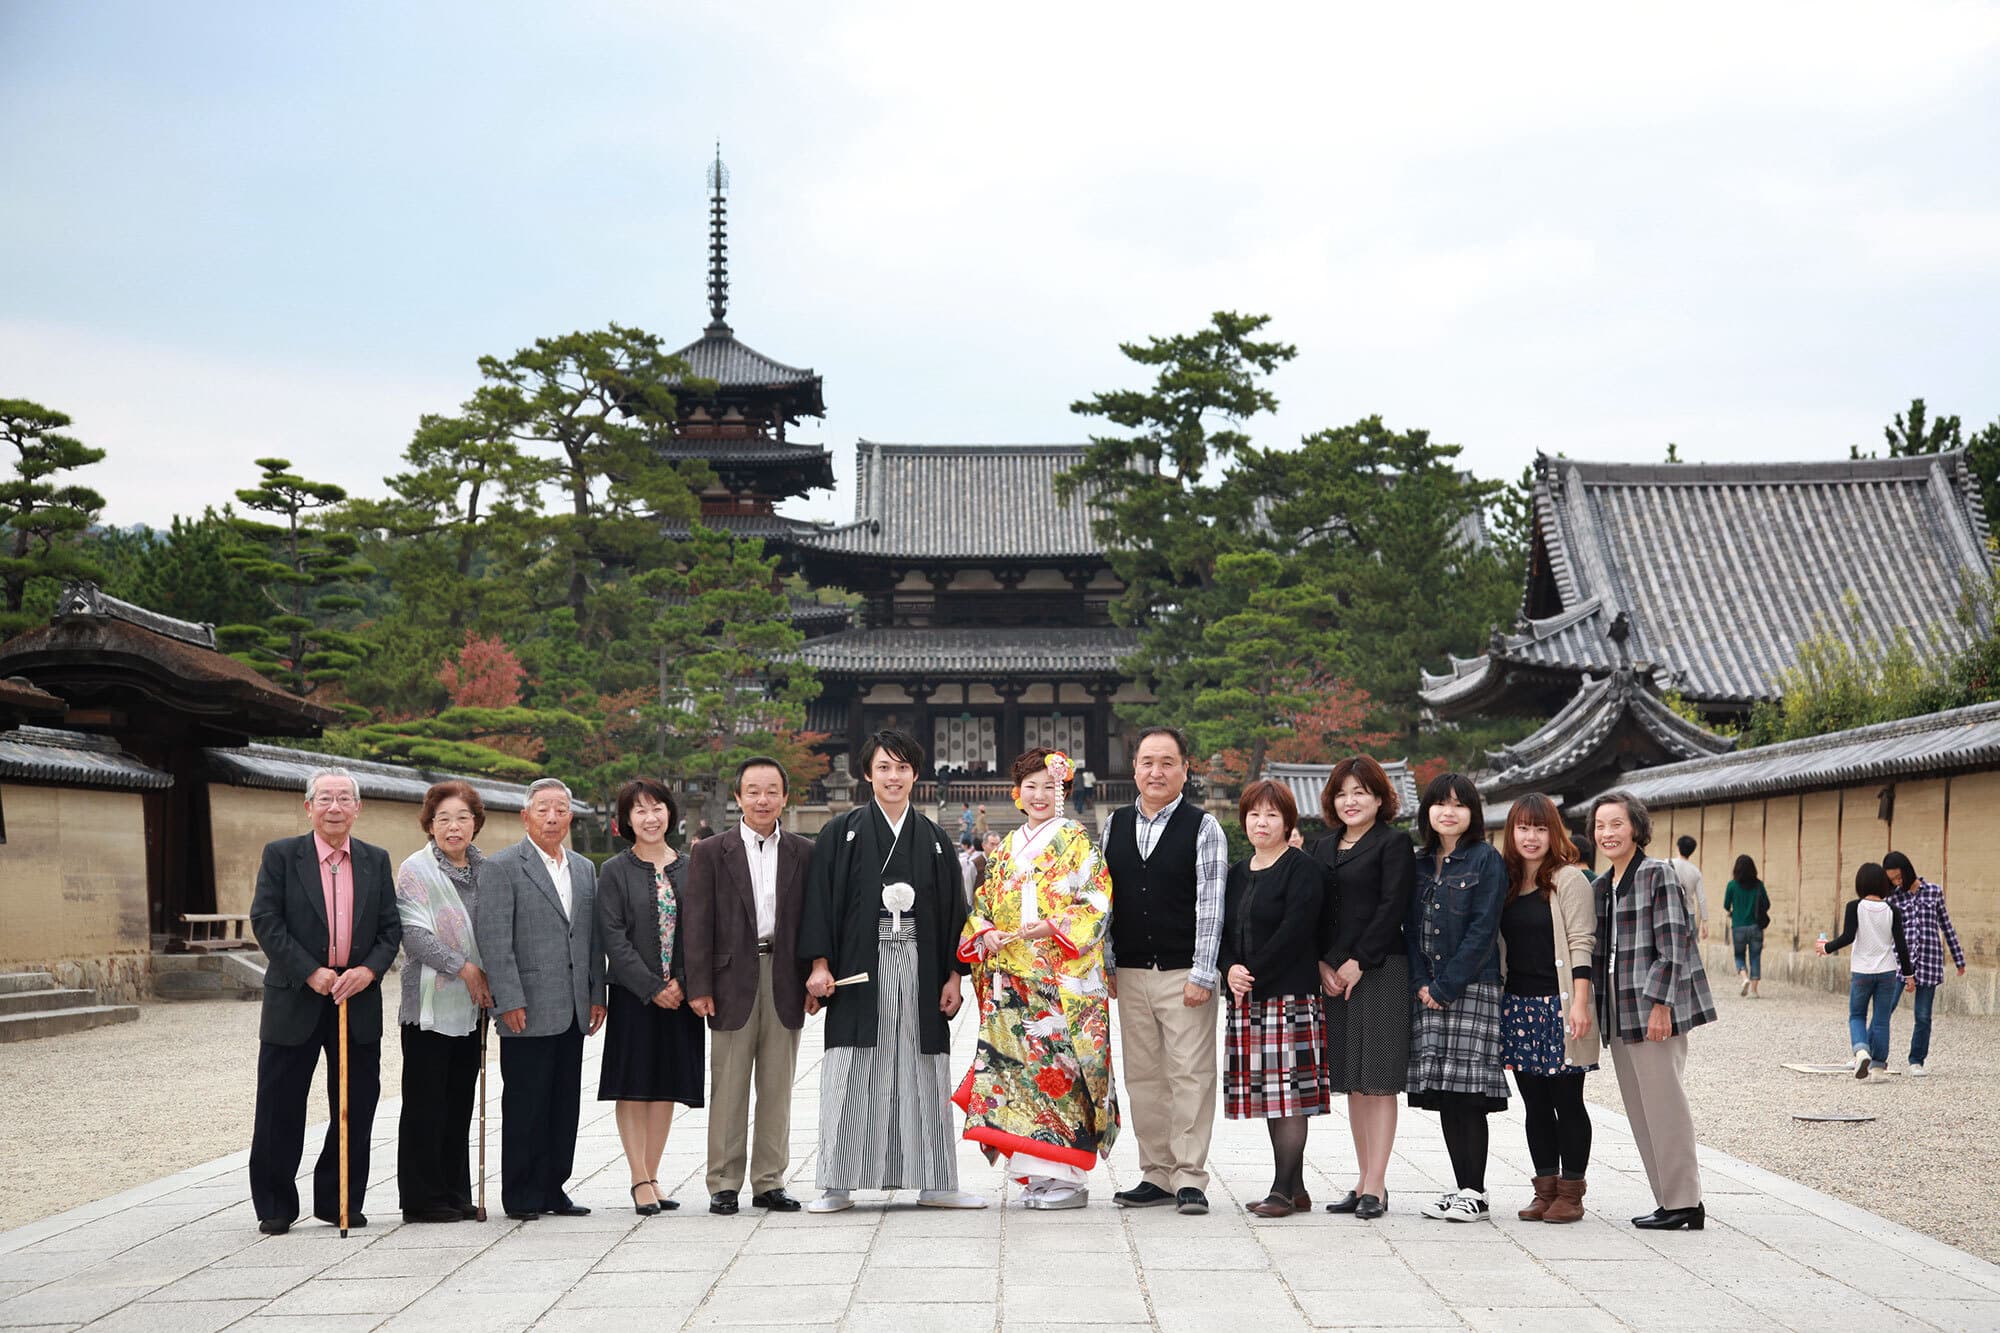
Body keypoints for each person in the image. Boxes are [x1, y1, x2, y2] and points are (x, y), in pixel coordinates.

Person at [798, 729, 983, 1212]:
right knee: (853, 1067)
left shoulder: (936, 839)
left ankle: (937, 1181)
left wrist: (953, 975)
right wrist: (819, 964)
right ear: (868, 774)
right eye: (884, 767)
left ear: (915, 775)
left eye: (902, 767)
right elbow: (819, 900)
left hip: (921, 966)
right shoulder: (842, 832)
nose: (893, 776)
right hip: (859, 970)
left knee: (923, 1070)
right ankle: (837, 1182)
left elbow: (952, 912)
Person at [957, 748, 1119, 1210]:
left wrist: (1051, 927)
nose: (1040, 794)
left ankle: (1068, 1178)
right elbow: (985, 900)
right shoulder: (1007, 846)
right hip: (1013, 978)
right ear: (1018, 793)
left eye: (1050, 786)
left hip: (1060, 981)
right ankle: (1035, 1174)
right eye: (1031, 786)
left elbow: (1096, 896)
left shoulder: (1077, 840)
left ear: (1063, 791)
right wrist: (986, 932)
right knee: (1020, 1076)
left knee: (1060, 1075)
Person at [248, 769, 401, 1234]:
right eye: (325, 798)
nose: (334, 807)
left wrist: (368, 971)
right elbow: (266, 919)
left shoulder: (375, 859)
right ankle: (275, 1204)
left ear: (358, 808)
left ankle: (340, 1200)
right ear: (308, 807)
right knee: (280, 1104)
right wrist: (310, 971)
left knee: (354, 1104)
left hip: (356, 998)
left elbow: (390, 929)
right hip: (296, 995)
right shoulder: (281, 855)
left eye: (344, 799)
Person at [684, 756, 817, 1215]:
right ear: (739, 797)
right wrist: (698, 985)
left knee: (778, 1086)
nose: (763, 799)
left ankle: (769, 1181)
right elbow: (696, 923)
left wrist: (814, 976)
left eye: (772, 791)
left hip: (785, 976)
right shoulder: (710, 852)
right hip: (728, 980)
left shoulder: (803, 850)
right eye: (754, 791)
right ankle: (723, 1182)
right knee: (730, 1083)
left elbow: (811, 922)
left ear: (785, 796)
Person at [1105, 725, 1227, 1216]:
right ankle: (1155, 1172)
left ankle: (1189, 1176)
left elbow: (1212, 904)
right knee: (1144, 1077)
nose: (1156, 772)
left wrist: (1204, 971)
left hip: (1183, 973)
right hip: (1131, 972)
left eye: (1166, 762)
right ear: (1134, 768)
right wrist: (1108, 961)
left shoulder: (1204, 828)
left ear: (1184, 768)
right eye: (1147, 762)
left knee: (1190, 1074)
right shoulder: (1114, 823)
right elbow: (1105, 901)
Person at [474, 777, 606, 1221]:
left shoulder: (585, 868)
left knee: (564, 1102)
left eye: (561, 809)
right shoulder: (503, 866)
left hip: (572, 1005)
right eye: (544, 808)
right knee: (526, 1102)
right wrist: (507, 999)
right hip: (525, 1006)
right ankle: (522, 1193)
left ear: (571, 816)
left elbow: (590, 939)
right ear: (525, 815)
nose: (553, 817)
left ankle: (555, 1188)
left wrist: (596, 992)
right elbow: (494, 941)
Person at [1591, 790, 1715, 1230]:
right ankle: (1668, 1199)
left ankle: (1685, 1201)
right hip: (1620, 1010)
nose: (1607, 833)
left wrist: (1661, 1005)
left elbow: (1676, 940)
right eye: (1601, 826)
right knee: (1641, 1109)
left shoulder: (1657, 873)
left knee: (1665, 1105)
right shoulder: (1602, 886)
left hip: (1652, 1006)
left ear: (1636, 828)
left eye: (1616, 824)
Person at [1220, 779, 1329, 1218]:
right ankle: (1296, 1188)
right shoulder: (1237, 872)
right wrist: (1229, 968)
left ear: (1288, 822)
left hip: (1289, 997)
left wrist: (1254, 972)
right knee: (1271, 1096)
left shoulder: (1302, 868)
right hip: (1247, 997)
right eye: (1253, 814)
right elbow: (1223, 930)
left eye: (1271, 815)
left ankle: (1282, 1190)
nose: (1261, 823)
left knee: (1289, 1096)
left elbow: (1296, 930)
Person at [1312, 756, 1413, 1221]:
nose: (1350, 801)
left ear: (1379, 797)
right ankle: (1360, 1179)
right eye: (1342, 792)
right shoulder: (1321, 846)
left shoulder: (1393, 845)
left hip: (1380, 970)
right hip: (1332, 976)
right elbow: (1311, 910)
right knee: (1353, 1081)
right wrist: (1322, 963)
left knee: (1378, 1079)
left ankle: (1378, 1184)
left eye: (1360, 792)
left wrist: (1357, 963)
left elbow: (1393, 907)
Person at [597, 778, 704, 1215]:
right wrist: (651, 986)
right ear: (626, 821)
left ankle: (654, 1175)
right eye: (639, 810)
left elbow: (700, 930)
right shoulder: (614, 870)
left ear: (669, 814)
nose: (650, 817)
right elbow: (613, 937)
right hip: (634, 995)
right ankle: (638, 1177)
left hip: (681, 995)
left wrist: (681, 979)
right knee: (635, 1085)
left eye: (657, 807)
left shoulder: (691, 866)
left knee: (666, 1086)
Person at [1407, 773, 1509, 1224]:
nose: (1448, 812)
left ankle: (1476, 1191)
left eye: (1458, 804)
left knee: (1469, 1093)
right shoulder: (1419, 863)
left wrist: (1447, 985)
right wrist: (1421, 983)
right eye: (1440, 804)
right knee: (1446, 1091)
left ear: (1472, 813)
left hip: (1471, 987)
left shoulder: (1486, 860)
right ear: (1427, 811)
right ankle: (1462, 1185)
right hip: (1429, 988)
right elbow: (1407, 928)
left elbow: (1484, 930)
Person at [394, 781, 492, 1224]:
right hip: (429, 1005)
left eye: (463, 818)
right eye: (444, 819)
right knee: (425, 1102)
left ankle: (454, 1191)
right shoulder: (415, 869)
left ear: (476, 822)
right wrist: (467, 969)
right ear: (429, 824)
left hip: (474, 1007)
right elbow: (414, 935)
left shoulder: (487, 869)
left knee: (459, 1102)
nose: (454, 827)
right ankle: (421, 1197)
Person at [1497, 794, 1597, 1225]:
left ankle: (1572, 1192)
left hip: (1557, 1007)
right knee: (1534, 1103)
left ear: (1553, 832)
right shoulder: (1507, 880)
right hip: (1518, 1006)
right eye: (1523, 828)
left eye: (1540, 828)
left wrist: (1579, 1003)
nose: (1531, 836)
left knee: (1567, 1100)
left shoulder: (1568, 879)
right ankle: (1545, 1188)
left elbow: (1581, 942)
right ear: (1512, 832)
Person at [1816, 863, 1915, 1080]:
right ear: (1883, 884)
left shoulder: (1855, 907)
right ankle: (1878, 1068)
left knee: (1857, 1015)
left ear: (1860, 884)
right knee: (1881, 1020)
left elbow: (1848, 936)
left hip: (1862, 971)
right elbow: (1901, 945)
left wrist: (1826, 947)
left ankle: (1861, 1051)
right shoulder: (1892, 910)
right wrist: (1909, 975)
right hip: (1888, 972)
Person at [1883, 850, 1964, 1077]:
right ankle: (1875, 1056)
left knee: (1923, 1016)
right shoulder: (1893, 898)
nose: (1897, 882)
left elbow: (1946, 926)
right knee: (1885, 1010)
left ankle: (1916, 1060)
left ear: (1907, 871)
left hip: (1929, 960)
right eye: (1892, 880)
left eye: (1899, 877)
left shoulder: (1934, 892)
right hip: (1900, 962)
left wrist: (1958, 958)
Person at [1722, 856, 1771, 998]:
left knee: (1739, 955)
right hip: (1756, 926)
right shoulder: (1758, 885)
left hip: (1738, 926)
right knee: (1755, 956)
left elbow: (1726, 904)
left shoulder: (1732, 885)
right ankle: (1755, 991)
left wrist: (1734, 911)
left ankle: (1744, 978)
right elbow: (1767, 904)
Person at [1667, 835, 1709, 942]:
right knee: (1688, 953)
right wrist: (1705, 921)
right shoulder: (1695, 871)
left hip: (1668, 912)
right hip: (1688, 915)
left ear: (1678, 847)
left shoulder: (1666, 864)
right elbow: (1701, 899)